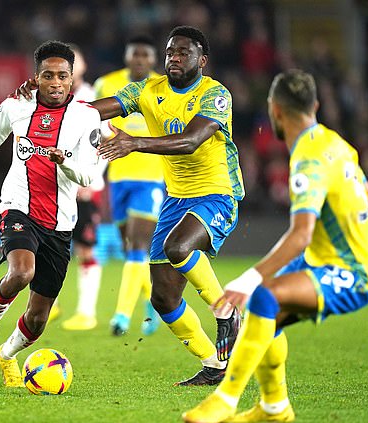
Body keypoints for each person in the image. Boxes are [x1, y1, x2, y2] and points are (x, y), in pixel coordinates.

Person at [17, 26, 243, 385]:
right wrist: (46, 100)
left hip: (218, 192)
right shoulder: (148, 90)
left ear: (203, 61)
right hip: (175, 198)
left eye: (183, 53)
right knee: (164, 299)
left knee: (177, 246)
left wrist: (136, 142)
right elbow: (94, 111)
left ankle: (227, 310)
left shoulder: (215, 94)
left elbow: (190, 141)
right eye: (170, 52)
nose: (175, 58)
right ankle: (215, 364)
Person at [182, 69, 368, 422]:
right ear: (314, 105)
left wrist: (247, 278)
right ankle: (275, 408)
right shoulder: (335, 142)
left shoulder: (308, 159)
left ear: (275, 110)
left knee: (263, 296)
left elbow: (300, 235)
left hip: (352, 273)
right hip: (335, 260)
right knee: (265, 314)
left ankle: (226, 399)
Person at [0, 40, 103, 387]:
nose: (55, 83)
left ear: (72, 80)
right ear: (36, 77)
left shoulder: (88, 116)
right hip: (18, 206)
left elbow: (89, 174)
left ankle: (7, 354)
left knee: (38, 319)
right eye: (48, 75)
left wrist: (64, 161)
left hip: (61, 221)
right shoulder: (17, 104)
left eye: (62, 76)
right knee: (22, 272)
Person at [66, 35, 165, 336]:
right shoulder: (107, 84)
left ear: (152, 59)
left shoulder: (164, 87)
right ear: (126, 56)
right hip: (118, 178)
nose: (139, 60)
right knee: (130, 250)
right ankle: (153, 301)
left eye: (145, 55)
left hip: (151, 177)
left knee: (137, 245)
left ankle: (121, 316)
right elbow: (90, 129)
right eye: (134, 54)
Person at [51, 44, 106, 330]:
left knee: (85, 248)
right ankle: (51, 303)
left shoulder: (92, 98)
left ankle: (87, 311)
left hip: (84, 187)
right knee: (50, 245)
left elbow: (104, 140)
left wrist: (92, 178)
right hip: (56, 185)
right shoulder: (51, 100)